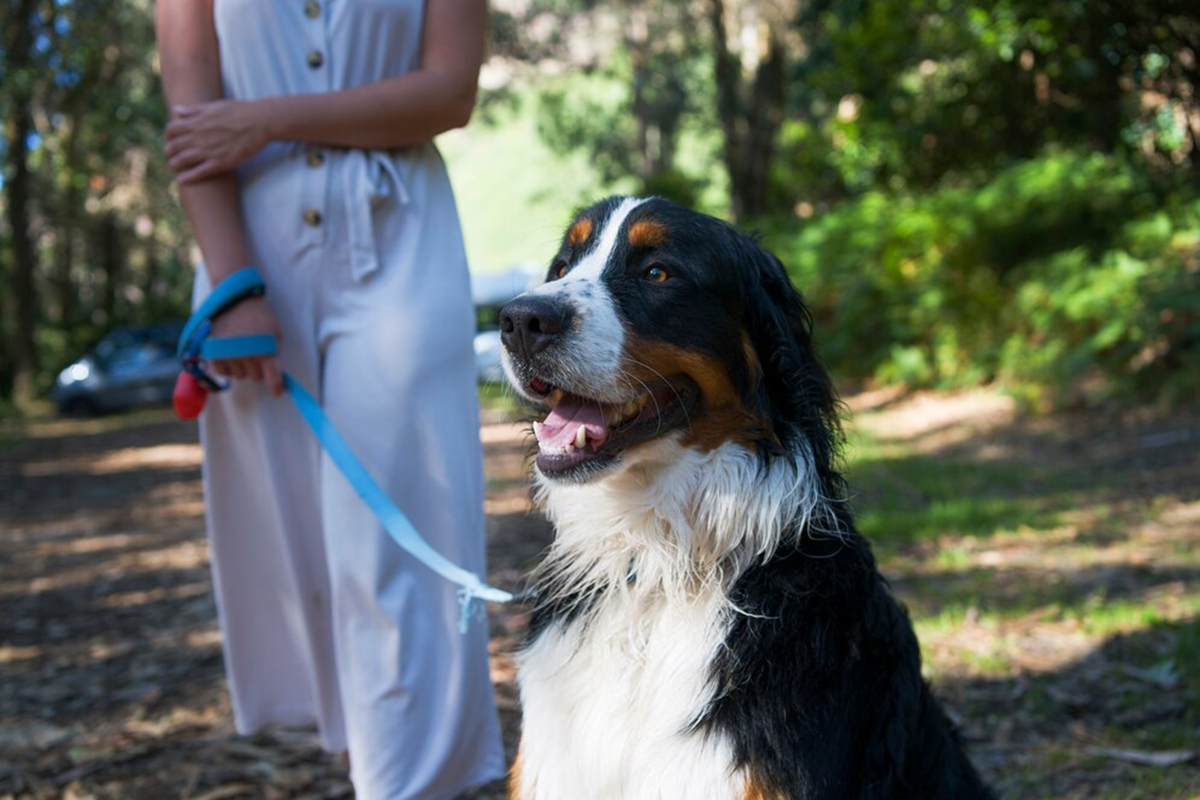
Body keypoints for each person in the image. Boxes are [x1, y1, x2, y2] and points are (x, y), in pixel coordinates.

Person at [154, 1, 505, 797]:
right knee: (301, 545)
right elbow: (193, 126)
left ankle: (405, 783)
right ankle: (370, 766)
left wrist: (267, 119)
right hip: (252, 252)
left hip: (399, 241)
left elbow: (450, 91)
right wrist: (234, 287)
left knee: (396, 529)